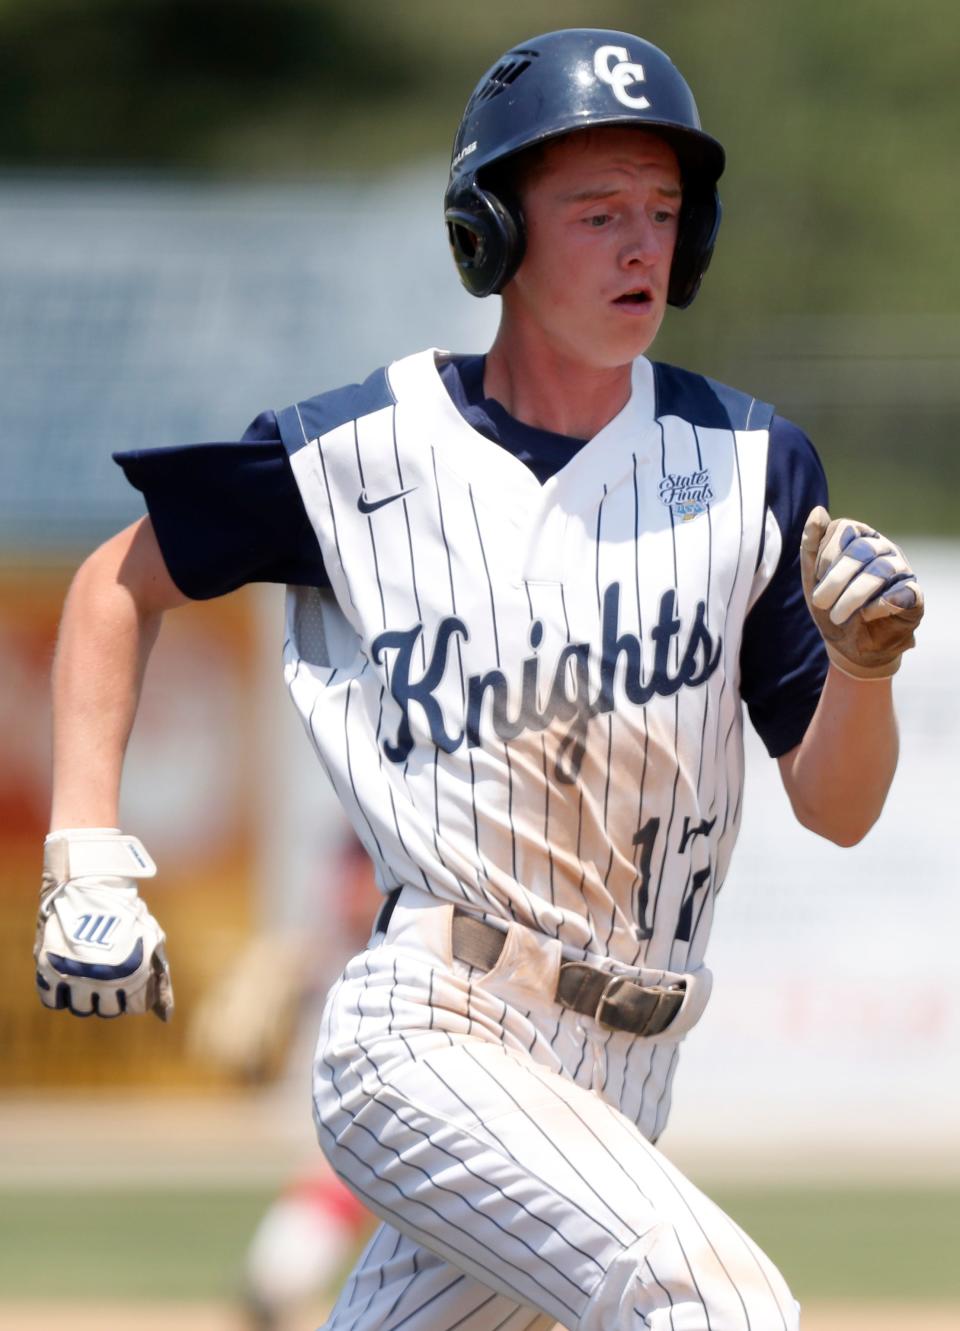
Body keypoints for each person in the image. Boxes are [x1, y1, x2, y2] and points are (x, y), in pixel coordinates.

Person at [35, 28, 924, 1331]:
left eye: (667, 213)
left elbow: (839, 807)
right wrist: (85, 857)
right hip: (431, 1028)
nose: (643, 247)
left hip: (628, 1064)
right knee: (715, 1305)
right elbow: (118, 585)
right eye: (599, 212)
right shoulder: (363, 452)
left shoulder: (750, 463)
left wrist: (864, 671)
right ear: (492, 236)